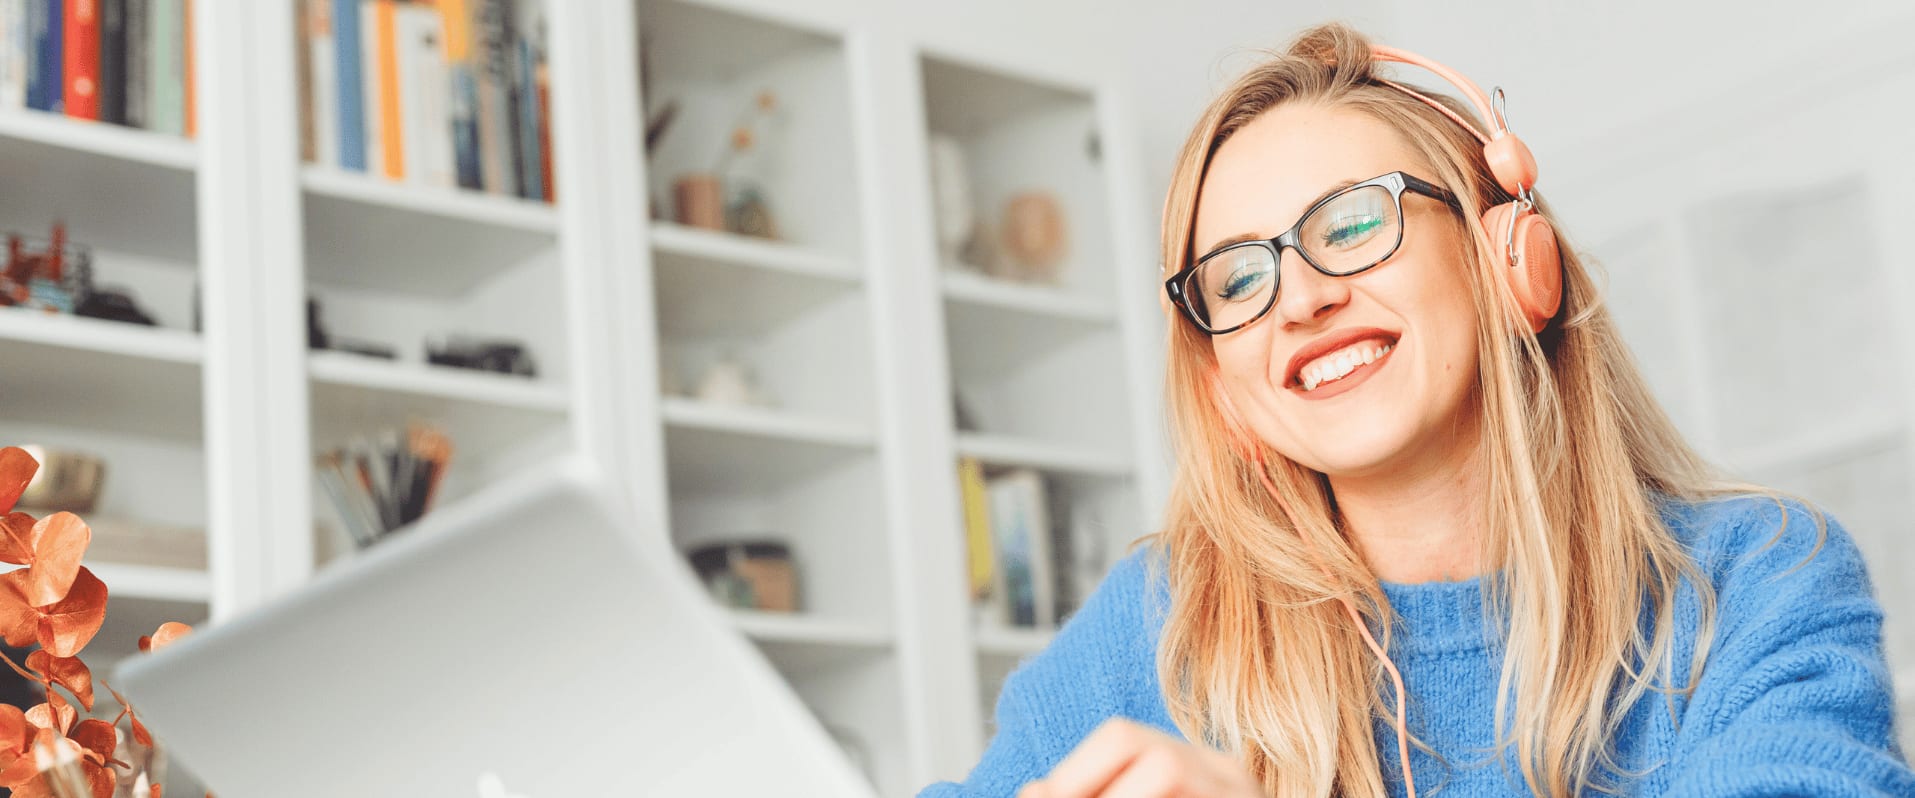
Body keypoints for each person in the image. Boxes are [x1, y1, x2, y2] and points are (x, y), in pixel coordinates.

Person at [918, 21, 1915, 798]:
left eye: (1353, 222)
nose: (1300, 298)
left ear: (1508, 260)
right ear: (1226, 389)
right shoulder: (1158, 627)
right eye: (1236, 280)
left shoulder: (1759, 586)